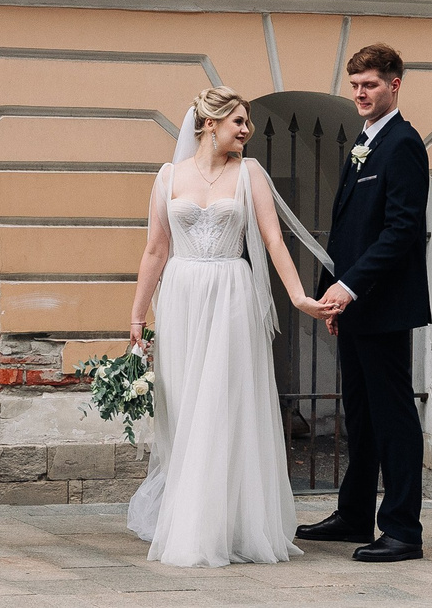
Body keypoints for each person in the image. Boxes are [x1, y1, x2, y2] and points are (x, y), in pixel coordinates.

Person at [124, 86, 332, 568]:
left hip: (231, 295)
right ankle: (191, 520)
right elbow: (155, 249)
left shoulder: (250, 173)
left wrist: (298, 296)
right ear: (209, 123)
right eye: (238, 121)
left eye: (247, 122)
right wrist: (137, 315)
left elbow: (273, 240)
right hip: (180, 298)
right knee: (186, 408)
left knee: (223, 404)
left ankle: (227, 527)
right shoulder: (168, 176)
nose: (247, 129)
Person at [295, 44, 430, 563]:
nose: (360, 93)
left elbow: (401, 231)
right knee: (361, 415)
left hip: (383, 307)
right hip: (354, 307)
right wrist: (335, 295)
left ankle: (402, 530)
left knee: (393, 418)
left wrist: (349, 288)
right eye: (354, 85)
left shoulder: (403, 144)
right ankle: (354, 514)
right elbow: (348, 230)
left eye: (369, 84)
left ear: (395, 84)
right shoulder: (364, 141)